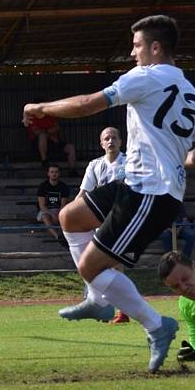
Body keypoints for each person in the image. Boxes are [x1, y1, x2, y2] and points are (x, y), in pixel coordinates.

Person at [23, 14, 195, 372]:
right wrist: (176, 161)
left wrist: (39, 108)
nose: (132, 53)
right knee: (70, 216)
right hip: (138, 182)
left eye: (137, 45)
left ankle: (156, 325)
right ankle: (98, 298)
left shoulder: (146, 77)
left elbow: (87, 104)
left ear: (155, 48)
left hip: (150, 192)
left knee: (90, 267)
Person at [67, 126, 128, 324]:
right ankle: (101, 304)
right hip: (96, 220)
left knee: (115, 263)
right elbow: (83, 194)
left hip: (118, 219)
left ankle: (121, 310)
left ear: (121, 141)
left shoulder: (130, 163)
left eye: (114, 137)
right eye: (106, 138)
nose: (110, 141)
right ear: (101, 144)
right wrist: (70, 216)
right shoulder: (94, 165)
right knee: (95, 263)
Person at [26, 106, 77, 175]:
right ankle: (44, 160)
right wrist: (49, 134)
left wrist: (46, 132)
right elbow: (37, 132)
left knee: (70, 147)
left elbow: (56, 127)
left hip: (53, 142)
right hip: (39, 144)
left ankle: (72, 170)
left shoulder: (50, 117)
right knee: (42, 136)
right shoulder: (32, 118)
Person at [36, 164, 71, 247]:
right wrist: (52, 215)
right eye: (52, 172)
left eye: (56, 172)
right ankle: (58, 237)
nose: (54, 174)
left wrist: (58, 215)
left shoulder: (63, 187)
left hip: (59, 210)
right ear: (48, 174)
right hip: (46, 210)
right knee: (45, 216)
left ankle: (67, 236)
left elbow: (63, 205)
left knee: (67, 215)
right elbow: (42, 205)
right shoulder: (43, 186)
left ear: (59, 174)